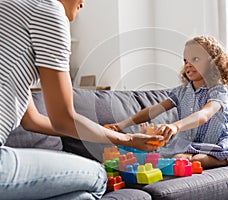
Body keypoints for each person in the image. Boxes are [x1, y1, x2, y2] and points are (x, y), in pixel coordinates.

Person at [0, 0, 163, 199]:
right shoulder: (49, 9)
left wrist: (101, 131)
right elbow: (64, 118)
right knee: (97, 176)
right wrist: (128, 139)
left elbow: (32, 120)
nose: (83, 3)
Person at [106, 36, 228, 169]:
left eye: (196, 59)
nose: (188, 65)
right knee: (179, 158)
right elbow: (153, 111)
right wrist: (120, 125)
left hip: (214, 141)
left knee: (196, 159)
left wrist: (175, 126)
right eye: (185, 60)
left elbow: (204, 114)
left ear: (214, 63)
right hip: (190, 142)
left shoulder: (217, 91)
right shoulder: (181, 92)